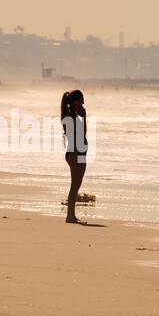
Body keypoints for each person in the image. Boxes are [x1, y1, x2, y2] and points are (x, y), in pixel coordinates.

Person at [61, 90, 88, 223]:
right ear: (73, 103)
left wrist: (83, 118)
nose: (82, 104)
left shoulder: (75, 117)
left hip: (81, 152)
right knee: (74, 184)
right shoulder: (68, 117)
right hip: (75, 153)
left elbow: (83, 134)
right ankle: (69, 216)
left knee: (77, 184)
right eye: (80, 101)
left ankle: (72, 215)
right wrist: (83, 118)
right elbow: (79, 136)